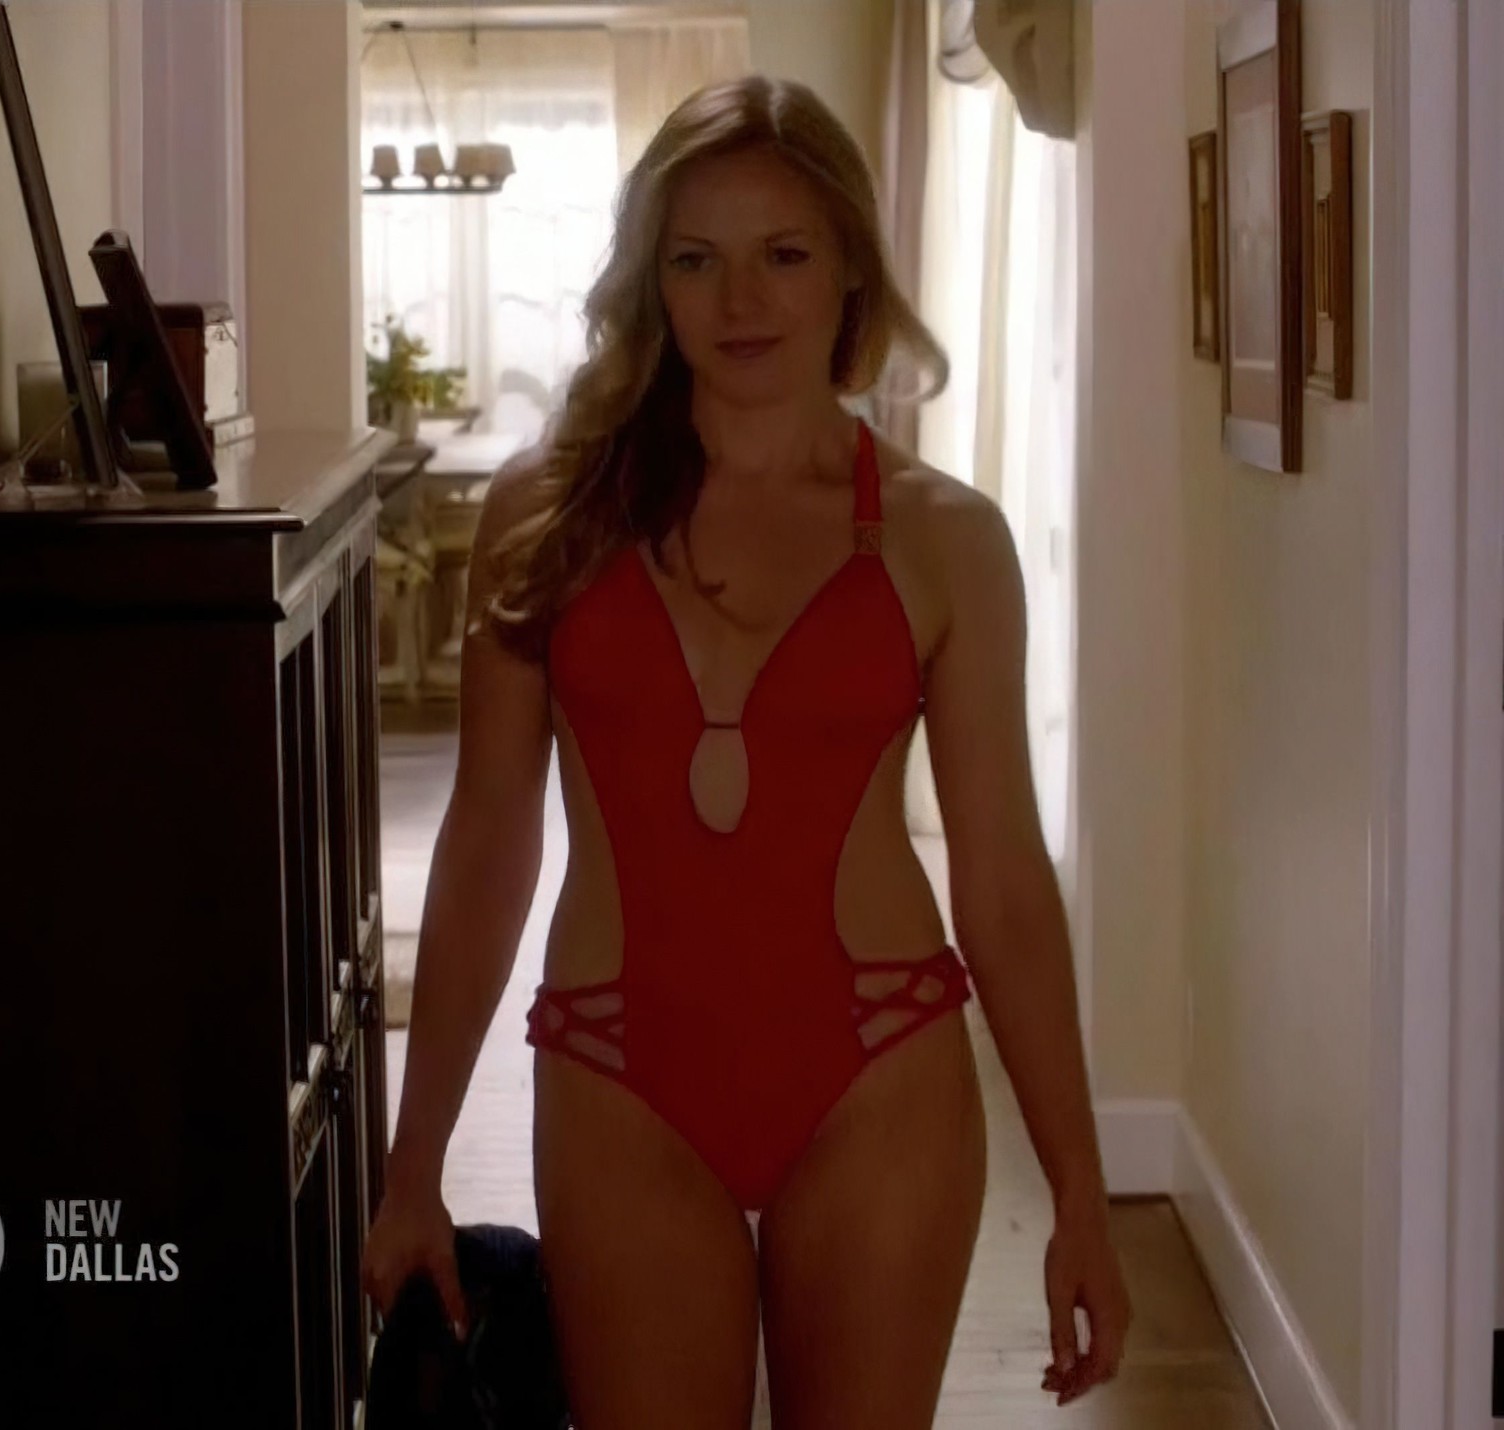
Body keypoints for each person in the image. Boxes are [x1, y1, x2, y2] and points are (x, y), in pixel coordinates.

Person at [361, 74, 1130, 1428]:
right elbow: (488, 844)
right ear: (649, 282)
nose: (741, 300)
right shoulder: (547, 518)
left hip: (879, 1077)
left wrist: (1080, 1190)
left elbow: (1004, 881)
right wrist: (413, 1163)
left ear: (851, 270)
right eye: (695, 260)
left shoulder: (949, 540)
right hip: (620, 1080)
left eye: (783, 254)